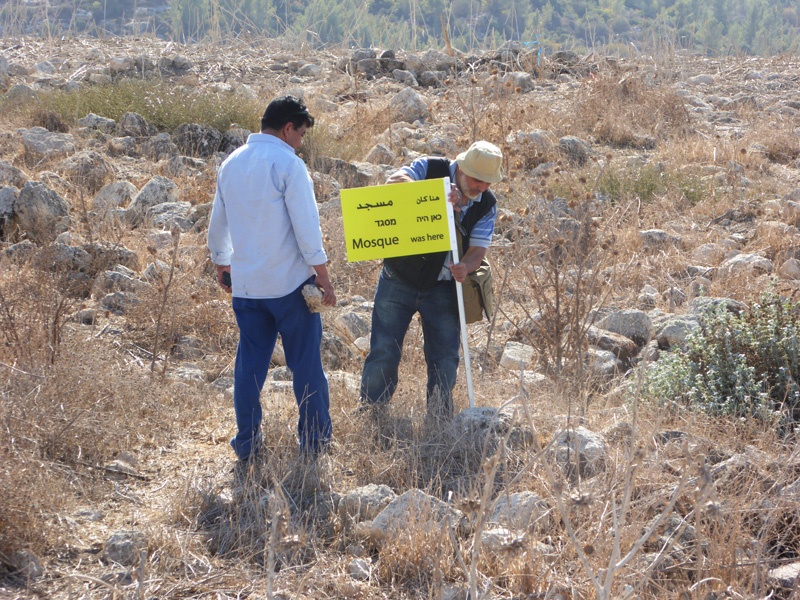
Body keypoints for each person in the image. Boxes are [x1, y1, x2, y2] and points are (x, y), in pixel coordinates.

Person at [207, 95, 336, 463]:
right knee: (307, 365)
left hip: (247, 287)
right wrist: (323, 275)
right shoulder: (288, 164)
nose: (301, 142)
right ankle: (314, 443)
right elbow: (306, 228)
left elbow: (218, 224)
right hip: (289, 287)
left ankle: (247, 444)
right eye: (301, 134)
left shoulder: (231, 163)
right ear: (287, 128)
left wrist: (222, 262)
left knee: (249, 367)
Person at [359, 141, 503, 420]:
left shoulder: (487, 204)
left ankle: (439, 421)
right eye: (477, 180)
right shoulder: (430, 168)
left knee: (445, 358)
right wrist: (432, 194)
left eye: (487, 182)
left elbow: (478, 250)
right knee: (383, 350)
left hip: (444, 288)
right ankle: (371, 413)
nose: (481, 188)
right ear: (461, 168)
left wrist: (466, 267)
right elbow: (394, 182)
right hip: (398, 277)